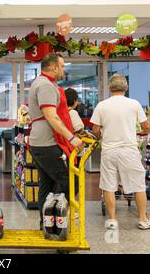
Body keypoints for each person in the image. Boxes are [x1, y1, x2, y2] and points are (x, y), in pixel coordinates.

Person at [90, 74, 150, 230]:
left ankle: (113, 220)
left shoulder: (102, 105)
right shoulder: (134, 104)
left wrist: (102, 136)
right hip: (129, 150)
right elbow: (146, 126)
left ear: (109, 88)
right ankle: (143, 219)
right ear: (126, 87)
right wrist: (140, 132)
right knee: (138, 185)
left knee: (109, 185)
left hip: (109, 150)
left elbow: (95, 129)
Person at [28, 53, 84, 226]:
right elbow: (52, 117)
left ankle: (47, 223)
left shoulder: (46, 83)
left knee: (47, 184)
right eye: (62, 66)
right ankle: (57, 218)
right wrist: (72, 138)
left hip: (41, 142)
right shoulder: (45, 86)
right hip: (47, 143)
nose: (64, 69)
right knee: (71, 182)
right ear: (53, 67)